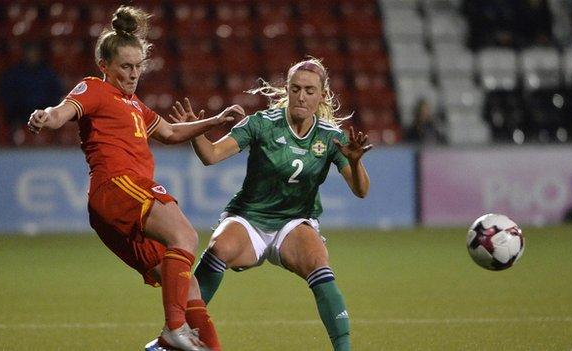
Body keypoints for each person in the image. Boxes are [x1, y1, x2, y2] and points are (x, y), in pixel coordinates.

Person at [26, 6, 245, 351]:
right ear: (105, 66)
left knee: (187, 288)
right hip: (116, 187)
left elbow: (171, 132)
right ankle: (174, 329)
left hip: (118, 210)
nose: (133, 74)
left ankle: (177, 344)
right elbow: (62, 112)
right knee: (184, 234)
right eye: (125, 67)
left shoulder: (135, 105)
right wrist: (46, 116)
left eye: (138, 66)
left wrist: (214, 120)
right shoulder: (94, 88)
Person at [178, 57, 371, 351]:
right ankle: (181, 333)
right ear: (287, 90)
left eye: (309, 90)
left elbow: (361, 191)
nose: (302, 96)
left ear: (322, 95)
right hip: (249, 218)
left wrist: (355, 163)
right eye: (295, 89)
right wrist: (196, 131)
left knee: (319, 261)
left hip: (294, 224)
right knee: (219, 248)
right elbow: (212, 155)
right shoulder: (261, 124)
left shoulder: (331, 137)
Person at [0, 40, 63, 144]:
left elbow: (56, 94)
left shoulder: (48, 73)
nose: (32, 55)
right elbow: (8, 94)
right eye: (30, 52)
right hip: (21, 113)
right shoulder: (15, 73)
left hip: (44, 112)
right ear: (25, 54)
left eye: (35, 52)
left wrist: (48, 112)